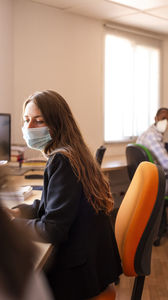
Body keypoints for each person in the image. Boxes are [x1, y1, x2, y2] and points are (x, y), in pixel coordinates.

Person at [8, 90, 122, 300]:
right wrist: (16, 212)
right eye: (26, 120)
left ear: (57, 123)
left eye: (38, 121)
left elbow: (53, 229)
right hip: (94, 267)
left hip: (78, 276)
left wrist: (11, 226)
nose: (29, 128)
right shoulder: (73, 153)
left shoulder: (62, 161)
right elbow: (49, 205)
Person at [0, 166, 53, 300]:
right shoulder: (18, 253)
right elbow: (48, 202)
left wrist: (14, 222)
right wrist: (19, 212)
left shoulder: (61, 161)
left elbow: (52, 229)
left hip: (78, 267)